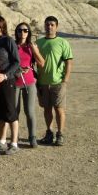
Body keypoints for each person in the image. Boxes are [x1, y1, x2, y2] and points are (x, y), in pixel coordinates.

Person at [36, 16, 73, 147]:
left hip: (58, 82)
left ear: (56, 26)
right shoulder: (38, 43)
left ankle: (60, 134)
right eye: (47, 24)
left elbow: (69, 61)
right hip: (43, 82)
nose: (49, 27)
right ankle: (49, 132)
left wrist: (66, 79)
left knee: (59, 109)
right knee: (46, 109)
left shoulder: (63, 42)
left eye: (52, 24)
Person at [0, 16, 21, 154]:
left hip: (7, 80)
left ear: (3, 27)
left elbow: (16, 62)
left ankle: (14, 143)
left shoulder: (8, 41)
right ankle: (2, 141)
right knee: (0, 112)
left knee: (10, 112)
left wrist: (6, 75)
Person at [14, 22, 45, 148]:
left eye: (25, 30)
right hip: (15, 82)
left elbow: (41, 63)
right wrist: (16, 70)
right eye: (20, 30)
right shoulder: (13, 45)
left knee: (30, 112)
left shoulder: (32, 46)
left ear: (29, 32)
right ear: (16, 32)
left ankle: (32, 137)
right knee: (14, 112)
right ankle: (14, 138)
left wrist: (34, 49)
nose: (23, 33)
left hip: (29, 82)